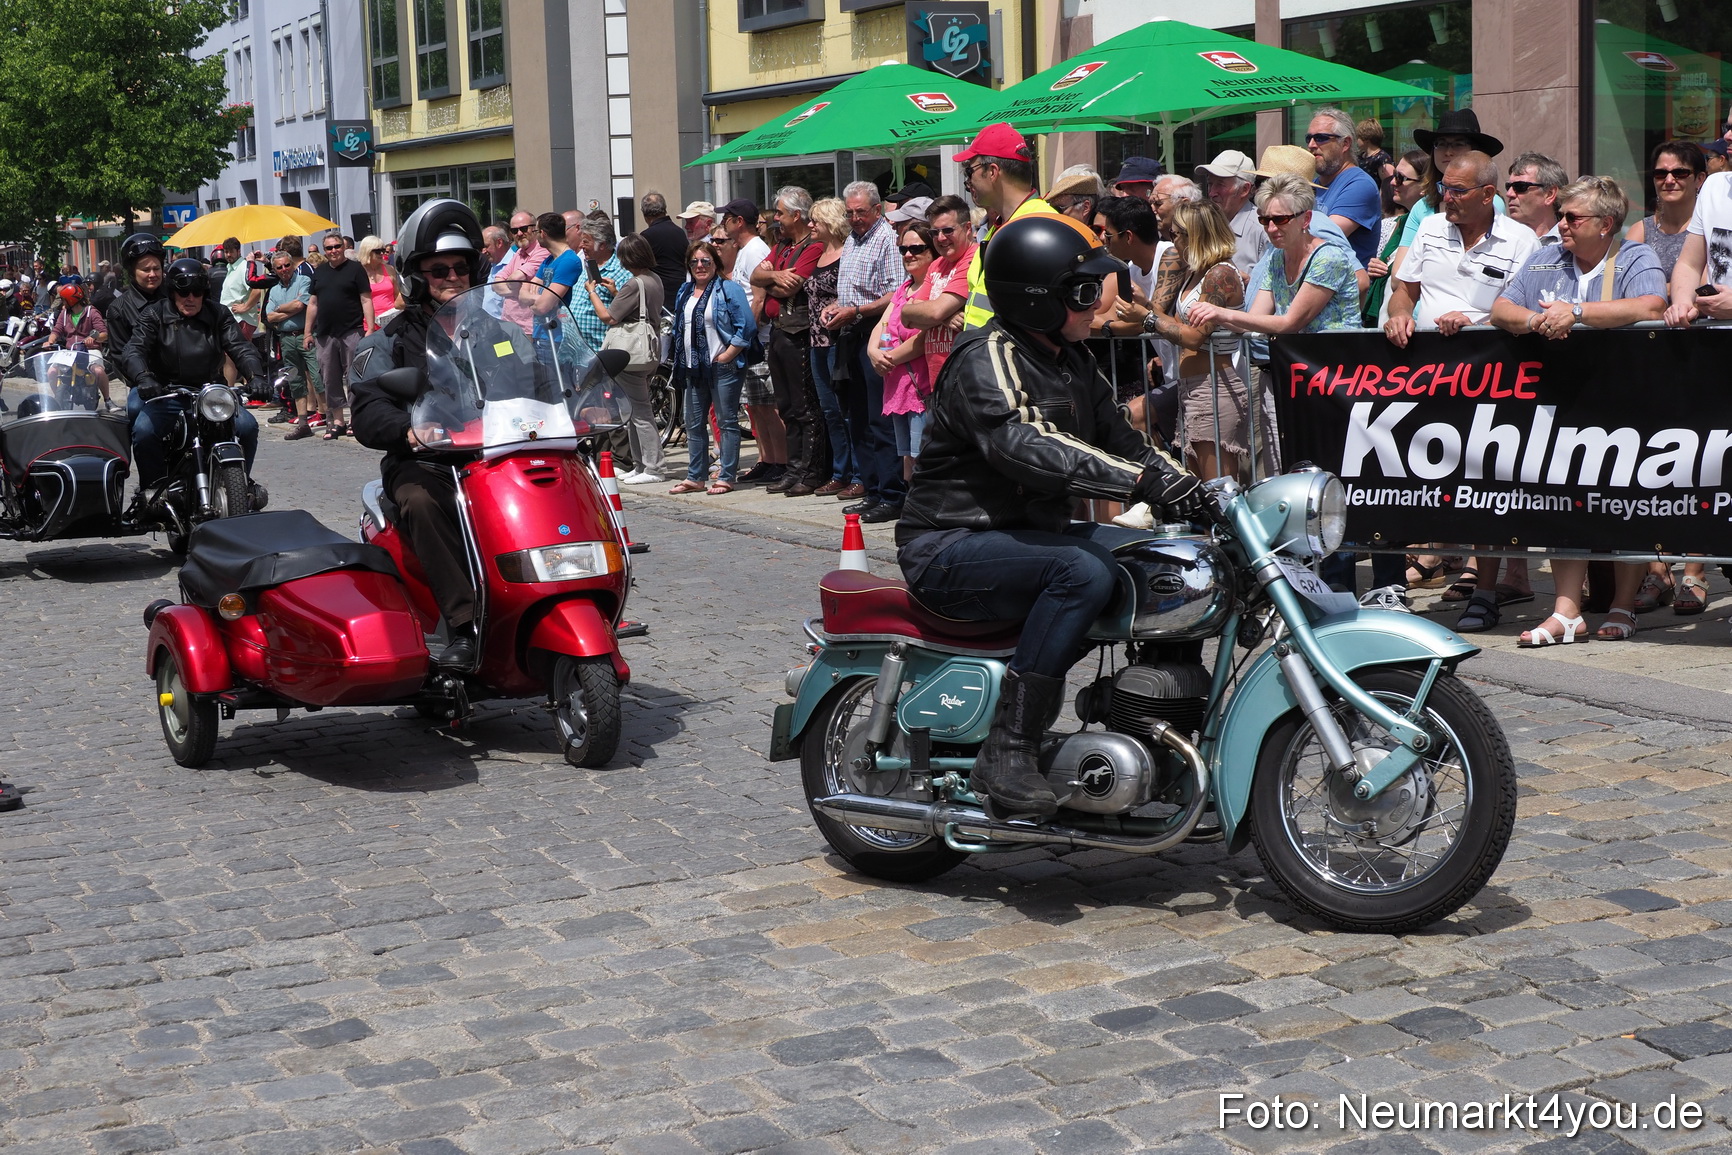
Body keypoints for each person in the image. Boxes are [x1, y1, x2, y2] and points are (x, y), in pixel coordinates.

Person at [895, 212, 1203, 819]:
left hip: (1025, 533)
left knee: (1173, 564)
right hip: (950, 543)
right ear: (1038, 299)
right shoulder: (985, 357)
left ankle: (1159, 730)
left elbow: (1123, 439)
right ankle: (1009, 749)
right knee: (1081, 573)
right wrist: (1143, 482)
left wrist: (1197, 489)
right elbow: (1027, 444)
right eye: (1084, 292)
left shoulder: (1069, 358)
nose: (1098, 305)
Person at [1488, 177, 1668, 646]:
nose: (1562, 225)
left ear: (1605, 223)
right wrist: (1534, 321)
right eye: (1562, 215)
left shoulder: (1633, 256)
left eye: (1573, 217)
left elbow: (1651, 303)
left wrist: (1578, 312)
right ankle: (1567, 611)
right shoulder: (1546, 256)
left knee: (1625, 500)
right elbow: (1501, 307)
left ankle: (1622, 606)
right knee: (1563, 499)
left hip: (1625, 401)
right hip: (1562, 404)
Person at [1386, 151, 1540, 632]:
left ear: (1488, 195)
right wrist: (1398, 312)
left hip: (1491, 375)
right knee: (1415, 476)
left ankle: (1486, 590)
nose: (1445, 199)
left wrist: (1475, 319)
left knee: (1485, 484)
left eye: (1457, 191)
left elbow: (1521, 304)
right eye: (1442, 190)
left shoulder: (1521, 240)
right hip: (1425, 373)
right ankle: (1400, 577)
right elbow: (1404, 288)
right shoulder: (1430, 227)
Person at [349, 199, 492, 670]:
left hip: (493, 456)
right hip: (427, 462)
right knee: (423, 502)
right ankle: (466, 624)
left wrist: (581, 402)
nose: (452, 276)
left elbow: (539, 380)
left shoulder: (498, 330)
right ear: (415, 277)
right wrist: (409, 431)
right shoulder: (388, 341)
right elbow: (369, 411)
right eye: (438, 270)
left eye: (460, 267)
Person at [1627, 141, 1709, 615]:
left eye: (1680, 172)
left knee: (1698, 465)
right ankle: (1657, 572)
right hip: (1651, 360)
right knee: (1650, 467)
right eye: (1660, 173)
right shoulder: (1640, 230)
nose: (1669, 180)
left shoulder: (1709, 226)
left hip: (1700, 356)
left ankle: (1694, 573)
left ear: (1699, 178)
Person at [1112, 200, 1247, 482]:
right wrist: (1147, 306)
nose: (1171, 240)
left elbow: (1195, 337)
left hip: (1214, 387)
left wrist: (1146, 318)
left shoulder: (1220, 274)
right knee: (1203, 491)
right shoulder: (1196, 272)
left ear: (1194, 235)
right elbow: (1178, 325)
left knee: (1220, 491)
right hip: (1193, 389)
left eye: (1175, 234)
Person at [119, 257, 263, 487]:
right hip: (167, 393)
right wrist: (144, 377)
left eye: (197, 292)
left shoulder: (219, 314)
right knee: (144, 431)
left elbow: (241, 348)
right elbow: (134, 350)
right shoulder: (154, 315)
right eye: (183, 291)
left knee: (247, 426)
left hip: (211, 394)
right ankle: (154, 489)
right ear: (172, 291)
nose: (190, 298)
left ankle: (240, 483)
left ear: (204, 292)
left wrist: (256, 376)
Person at [823, 181, 908, 522]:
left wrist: (856, 311)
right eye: (850, 212)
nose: (855, 218)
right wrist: (836, 306)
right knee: (856, 417)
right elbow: (851, 291)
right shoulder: (851, 239)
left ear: (876, 210)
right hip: (850, 333)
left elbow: (894, 293)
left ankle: (891, 493)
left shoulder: (886, 238)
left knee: (879, 418)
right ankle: (872, 489)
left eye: (861, 212)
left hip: (877, 330)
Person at [753, 186, 829, 496]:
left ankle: (809, 470)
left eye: (781, 214)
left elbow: (792, 286)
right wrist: (772, 277)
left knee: (803, 407)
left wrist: (772, 278)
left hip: (799, 334)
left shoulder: (814, 245)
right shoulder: (783, 246)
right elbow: (756, 277)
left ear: (796, 215)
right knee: (785, 405)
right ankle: (793, 467)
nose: (777, 221)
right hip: (779, 332)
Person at [667, 238, 754, 496]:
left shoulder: (728, 289)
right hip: (693, 368)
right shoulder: (685, 290)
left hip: (722, 367)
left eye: (706, 260)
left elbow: (746, 326)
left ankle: (727, 476)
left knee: (727, 423)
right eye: (694, 262)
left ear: (715, 263)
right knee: (693, 423)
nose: (700, 266)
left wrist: (728, 354)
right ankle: (695, 476)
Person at [955, 123, 1054, 330]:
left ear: (992, 172)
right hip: (988, 354)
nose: (968, 181)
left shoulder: (1039, 225)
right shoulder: (1003, 225)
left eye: (969, 171)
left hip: (1011, 357)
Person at [590, 234, 667, 485]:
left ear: (626, 258)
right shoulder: (653, 279)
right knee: (633, 410)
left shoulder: (634, 284)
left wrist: (593, 292)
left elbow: (609, 317)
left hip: (631, 354)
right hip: (647, 349)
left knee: (640, 412)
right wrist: (614, 292)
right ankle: (640, 463)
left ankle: (653, 467)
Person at [717, 198, 784, 486]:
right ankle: (767, 459)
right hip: (748, 339)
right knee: (755, 406)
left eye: (727, 219)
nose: (724, 225)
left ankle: (781, 461)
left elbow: (759, 298)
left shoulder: (756, 249)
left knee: (768, 405)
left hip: (758, 340)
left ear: (738, 221)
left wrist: (748, 335)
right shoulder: (745, 250)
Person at [866, 220, 936, 482]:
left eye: (917, 248)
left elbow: (922, 339)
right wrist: (874, 353)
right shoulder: (904, 289)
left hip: (921, 388)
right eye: (904, 250)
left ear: (932, 250)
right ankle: (910, 511)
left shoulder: (933, 289)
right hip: (898, 386)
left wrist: (888, 359)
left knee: (921, 459)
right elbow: (882, 325)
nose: (909, 254)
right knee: (907, 458)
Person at [805, 198, 858, 500]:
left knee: (846, 410)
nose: (811, 225)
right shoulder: (819, 253)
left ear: (830, 221)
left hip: (840, 341)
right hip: (816, 342)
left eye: (816, 220)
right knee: (829, 411)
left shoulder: (847, 251)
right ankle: (840, 472)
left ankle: (857, 473)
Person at [900, 193, 977, 395]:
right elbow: (907, 315)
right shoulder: (936, 264)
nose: (941, 238)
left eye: (948, 230)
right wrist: (945, 317)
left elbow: (931, 312)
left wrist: (934, 313)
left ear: (968, 228)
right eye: (935, 232)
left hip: (968, 382)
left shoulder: (974, 259)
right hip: (938, 384)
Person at [304, 230, 373, 439]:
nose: (333, 251)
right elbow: (313, 303)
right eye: (329, 248)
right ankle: (337, 421)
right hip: (325, 333)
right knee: (329, 377)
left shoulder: (355, 269)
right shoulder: (320, 271)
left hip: (351, 330)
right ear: (324, 251)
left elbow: (366, 299)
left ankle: (355, 419)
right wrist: (307, 332)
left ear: (343, 247)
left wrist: (369, 329)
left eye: (337, 247)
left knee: (354, 376)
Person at [1308, 108, 1382, 269]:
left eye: (1320, 138)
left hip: (1344, 290)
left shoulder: (1360, 185)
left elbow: (1320, 241)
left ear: (1345, 143)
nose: (1311, 145)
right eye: (1309, 138)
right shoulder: (1314, 185)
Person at [265, 250, 325, 441]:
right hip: (286, 339)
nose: (284, 269)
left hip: (305, 335)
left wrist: (280, 308)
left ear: (292, 265)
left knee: (317, 377)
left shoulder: (303, 281)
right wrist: (291, 308)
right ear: (274, 269)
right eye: (279, 267)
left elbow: (301, 305)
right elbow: (269, 316)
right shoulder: (274, 290)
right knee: (296, 380)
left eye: (287, 265)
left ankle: (330, 418)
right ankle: (303, 424)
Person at [103, 232, 168, 387]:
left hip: (186, 384)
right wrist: (143, 379)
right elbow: (120, 357)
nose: (152, 274)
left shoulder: (177, 297)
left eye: (156, 268)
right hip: (148, 387)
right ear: (132, 272)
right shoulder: (118, 309)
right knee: (136, 408)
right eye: (145, 270)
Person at [47, 274, 113, 408]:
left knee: (99, 371)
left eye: (64, 300)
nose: (62, 303)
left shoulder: (91, 312)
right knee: (51, 372)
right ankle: (57, 400)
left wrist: (93, 338)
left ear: (71, 300)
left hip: (90, 350)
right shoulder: (64, 314)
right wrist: (50, 341)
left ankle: (108, 400)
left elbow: (104, 333)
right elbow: (57, 330)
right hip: (70, 351)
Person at [1197, 149, 1264, 277]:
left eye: (1220, 185)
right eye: (1210, 184)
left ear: (1245, 189)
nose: (1212, 193)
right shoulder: (1207, 225)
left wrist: (1248, 283)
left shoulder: (1262, 229)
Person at [639, 191, 690, 303]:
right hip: (682, 291)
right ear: (664, 210)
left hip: (660, 295)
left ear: (645, 215)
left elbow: (639, 268)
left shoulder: (646, 236)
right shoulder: (679, 232)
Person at [1505, 152, 1568, 241]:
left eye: (1520, 187)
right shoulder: (1498, 242)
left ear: (1549, 194)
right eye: (1508, 187)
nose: (1509, 194)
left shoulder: (1570, 245)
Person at [357, 236, 404, 329]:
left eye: (383, 250)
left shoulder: (389, 269)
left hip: (391, 321)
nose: (382, 254)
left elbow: (397, 293)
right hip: (368, 324)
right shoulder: (358, 271)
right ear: (367, 251)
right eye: (378, 251)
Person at [479, 225, 511, 319]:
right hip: (488, 327)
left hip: (506, 328)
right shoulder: (492, 265)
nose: (483, 251)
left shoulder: (514, 265)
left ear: (499, 243)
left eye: (486, 246)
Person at [1356, 117, 1394, 185]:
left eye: (1358, 137)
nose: (1357, 140)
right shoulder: (1360, 157)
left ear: (1366, 139)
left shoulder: (1382, 158)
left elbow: (1387, 185)